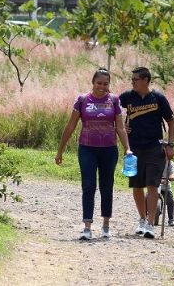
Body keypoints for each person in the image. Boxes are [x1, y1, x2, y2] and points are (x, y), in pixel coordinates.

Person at [55, 68, 132, 240]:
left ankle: (106, 225)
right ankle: (87, 227)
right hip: (87, 148)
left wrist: (127, 148)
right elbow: (70, 126)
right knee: (88, 186)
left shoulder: (114, 100)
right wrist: (60, 150)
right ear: (93, 82)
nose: (102, 87)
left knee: (107, 186)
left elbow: (119, 127)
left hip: (109, 149)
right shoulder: (82, 100)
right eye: (99, 83)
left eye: (106, 84)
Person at [119, 66, 174, 238]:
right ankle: (142, 219)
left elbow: (171, 122)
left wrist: (171, 145)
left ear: (145, 80)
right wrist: (121, 126)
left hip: (155, 147)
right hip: (134, 148)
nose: (132, 82)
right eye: (132, 79)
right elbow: (112, 109)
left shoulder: (158, 98)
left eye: (136, 79)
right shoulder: (127, 97)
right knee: (137, 186)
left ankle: (151, 224)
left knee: (152, 185)